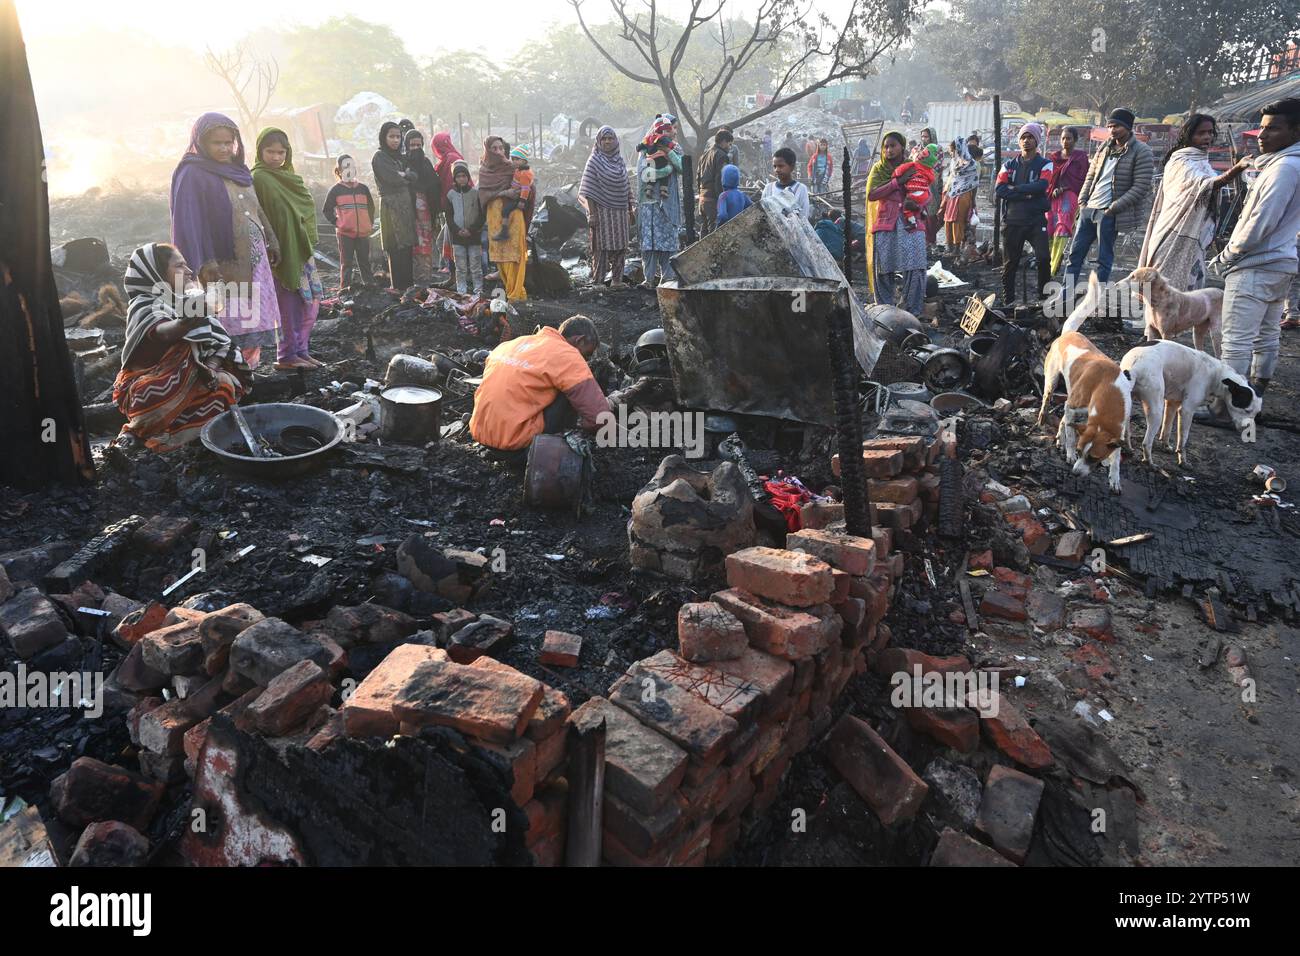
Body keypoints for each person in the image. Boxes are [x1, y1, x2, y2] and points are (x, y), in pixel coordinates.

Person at [113, 243, 250, 452]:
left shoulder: (187, 299)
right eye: (179, 266)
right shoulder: (144, 304)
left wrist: (211, 368)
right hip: (149, 387)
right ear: (157, 273)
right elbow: (164, 332)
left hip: (193, 383)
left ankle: (183, 434)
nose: (188, 272)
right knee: (159, 381)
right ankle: (137, 431)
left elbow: (221, 343)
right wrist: (188, 320)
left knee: (224, 385)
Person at [169, 112, 281, 368]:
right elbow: (188, 222)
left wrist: (271, 239)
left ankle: (248, 369)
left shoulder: (238, 170)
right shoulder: (192, 174)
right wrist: (205, 262)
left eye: (228, 142)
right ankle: (228, 371)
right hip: (222, 264)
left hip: (254, 259)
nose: (223, 148)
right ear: (201, 142)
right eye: (216, 143)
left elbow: (256, 208)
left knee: (256, 314)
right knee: (230, 317)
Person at [1207, 98, 1300, 393]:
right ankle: (1255, 394)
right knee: (1266, 335)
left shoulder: (1283, 169)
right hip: (1279, 264)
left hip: (1255, 266)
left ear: (1296, 132)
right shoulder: (1287, 164)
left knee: (1235, 340)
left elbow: (1260, 223)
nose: (1261, 136)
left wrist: (1228, 255)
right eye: (1261, 128)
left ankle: (1227, 407)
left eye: (1273, 129)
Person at [469, 315, 613, 460]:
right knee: (568, 391)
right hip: (520, 448)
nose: (586, 360)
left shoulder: (510, 345)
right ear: (580, 340)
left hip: (481, 436)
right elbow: (600, 419)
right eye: (587, 355)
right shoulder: (568, 355)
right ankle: (552, 449)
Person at [1138, 114, 1248, 291]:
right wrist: (1236, 169)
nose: (1207, 137)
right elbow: (1205, 184)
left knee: (1190, 287)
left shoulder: (1201, 159)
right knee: (1164, 286)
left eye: (1210, 133)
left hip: (1196, 233)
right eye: (1201, 133)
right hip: (1173, 230)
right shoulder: (1181, 160)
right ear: (1189, 135)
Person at [252, 128, 324, 369]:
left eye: (280, 152)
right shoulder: (259, 178)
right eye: (270, 151)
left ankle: (301, 350)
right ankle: (286, 355)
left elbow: (302, 208)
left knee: (307, 301)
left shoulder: (289, 177)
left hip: (299, 249)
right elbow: (259, 216)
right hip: (279, 253)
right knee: (287, 305)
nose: (275, 157)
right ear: (260, 151)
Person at [1067, 108, 1154, 284]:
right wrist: (1082, 201)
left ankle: (1096, 300)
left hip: (1108, 213)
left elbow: (1140, 187)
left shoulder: (1141, 151)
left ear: (1128, 127)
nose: (1113, 130)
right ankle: (1065, 296)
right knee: (1074, 256)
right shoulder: (1104, 147)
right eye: (1110, 126)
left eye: (1117, 126)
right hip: (1089, 209)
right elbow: (1091, 176)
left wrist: (1112, 209)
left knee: (1103, 260)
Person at [866, 131, 927, 314]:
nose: (889, 150)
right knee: (883, 268)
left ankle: (912, 310)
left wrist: (916, 202)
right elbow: (872, 194)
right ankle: (885, 310)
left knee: (915, 265)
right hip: (886, 222)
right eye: (885, 147)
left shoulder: (914, 167)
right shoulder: (878, 169)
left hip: (911, 221)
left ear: (902, 146)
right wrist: (896, 182)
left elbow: (926, 192)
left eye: (893, 145)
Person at [995, 123, 1053, 305]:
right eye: (1023, 137)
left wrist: (1016, 189)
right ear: (1019, 141)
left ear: (1037, 140)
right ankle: (1008, 300)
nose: (1026, 141)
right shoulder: (1008, 165)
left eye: (1030, 137)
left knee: (1044, 258)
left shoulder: (1046, 164)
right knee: (1010, 263)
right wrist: (1028, 193)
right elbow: (1000, 189)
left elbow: (1042, 185)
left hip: (1036, 220)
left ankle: (1043, 299)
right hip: (1013, 220)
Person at [578, 125, 634, 289]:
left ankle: (617, 280)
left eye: (610, 138)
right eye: (604, 139)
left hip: (620, 213)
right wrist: (592, 215)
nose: (608, 141)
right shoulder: (594, 161)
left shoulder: (620, 161)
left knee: (620, 247)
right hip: (602, 212)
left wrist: (631, 207)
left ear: (616, 141)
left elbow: (627, 186)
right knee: (601, 247)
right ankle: (598, 281)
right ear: (599, 141)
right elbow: (588, 190)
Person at [478, 136, 534, 301]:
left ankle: (517, 292)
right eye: (494, 149)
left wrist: (521, 196)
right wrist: (503, 193)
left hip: (513, 215)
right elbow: (483, 194)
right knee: (500, 256)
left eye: (501, 148)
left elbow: (528, 186)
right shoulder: (484, 170)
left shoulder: (513, 168)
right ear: (488, 150)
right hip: (494, 215)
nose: (498, 152)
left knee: (514, 254)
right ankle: (508, 288)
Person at [635, 116, 684, 288]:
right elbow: (644, 173)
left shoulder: (676, 148)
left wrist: (669, 153)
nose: (674, 132)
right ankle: (648, 279)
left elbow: (683, 168)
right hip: (649, 203)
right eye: (672, 128)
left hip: (668, 202)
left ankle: (668, 279)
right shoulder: (646, 147)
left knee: (668, 241)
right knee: (649, 242)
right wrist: (667, 169)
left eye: (675, 128)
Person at [371, 121, 418, 290]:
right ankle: (398, 287)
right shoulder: (380, 157)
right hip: (391, 206)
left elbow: (414, 176)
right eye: (391, 136)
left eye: (398, 136)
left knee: (407, 247)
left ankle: (409, 287)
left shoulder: (400, 156)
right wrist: (405, 176)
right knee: (395, 248)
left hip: (405, 206)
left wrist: (405, 175)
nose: (395, 140)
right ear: (384, 137)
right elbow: (392, 178)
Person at [323, 155, 376, 290]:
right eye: (345, 167)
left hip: (363, 233)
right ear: (339, 171)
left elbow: (371, 207)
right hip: (345, 233)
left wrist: (368, 223)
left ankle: (369, 286)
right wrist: (338, 223)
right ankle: (344, 288)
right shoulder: (336, 190)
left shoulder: (363, 188)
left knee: (364, 261)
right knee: (346, 262)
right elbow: (327, 210)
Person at [1045, 127, 1089, 276]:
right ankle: (1048, 261)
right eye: (1063, 138)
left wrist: (1064, 189)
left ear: (1075, 140)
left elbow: (1082, 180)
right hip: (1053, 198)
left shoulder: (1081, 158)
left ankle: (1054, 265)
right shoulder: (1054, 157)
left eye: (1069, 138)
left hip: (1070, 197)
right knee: (1049, 228)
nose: (1065, 141)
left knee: (1062, 229)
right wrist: (1054, 189)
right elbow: (1049, 179)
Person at [403, 128, 442, 280]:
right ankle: (411, 278)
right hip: (409, 209)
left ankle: (425, 277)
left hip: (426, 210)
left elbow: (434, 185)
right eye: (412, 145)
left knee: (425, 243)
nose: (415, 149)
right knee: (411, 243)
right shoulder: (402, 161)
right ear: (406, 145)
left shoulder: (426, 162)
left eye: (418, 145)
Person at [444, 160, 484, 296]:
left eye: (464, 176)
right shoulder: (450, 195)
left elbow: (481, 215)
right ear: (454, 178)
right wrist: (457, 230)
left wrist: (471, 230)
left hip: (474, 236)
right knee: (460, 267)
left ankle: (478, 291)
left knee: (475, 266)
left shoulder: (475, 193)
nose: (462, 178)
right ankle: (462, 292)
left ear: (468, 177)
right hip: (458, 237)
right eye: (459, 176)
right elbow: (448, 216)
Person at [432, 131, 469, 275]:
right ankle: (452, 267)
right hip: (452, 205)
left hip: (456, 205)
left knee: (447, 239)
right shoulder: (447, 159)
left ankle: (455, 269)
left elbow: (450, 183)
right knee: (446, 238)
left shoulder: (451, 159)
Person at [942, 138, 980, 253]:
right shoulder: (954, 162)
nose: (951, 153)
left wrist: (973, 201)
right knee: (948, 220)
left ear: (959, 149)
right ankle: (949, 246)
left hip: (963, 196)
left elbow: (974, 183)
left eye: (953, 151)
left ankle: (957, 247)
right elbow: (951, 179)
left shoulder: (971, 164)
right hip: (952, 195)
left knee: (958, 221)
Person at [892, 144, 941, 231]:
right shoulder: (929, 170)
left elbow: (899, 171)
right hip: (925, 194)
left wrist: (894, 175)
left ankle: (912, 222)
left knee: (906, 206)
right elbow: (931, 179)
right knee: (917, 203)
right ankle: (922, 211)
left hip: (914, 193)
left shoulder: (912, 165)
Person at [492, 146, 534, 241]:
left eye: (517, 159)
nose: (514, 161)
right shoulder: (519, 170)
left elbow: (525, 189)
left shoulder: (524, 173)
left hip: (520, 198)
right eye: (513, 159)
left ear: (524, 160)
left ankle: (504, 232)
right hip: (516, 195)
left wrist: (522, 201)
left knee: (505, 211)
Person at [697, 128, 734, 235]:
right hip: (713, 199)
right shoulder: (722, 156)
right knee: (713, 234)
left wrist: (700, 194)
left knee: (703, 231)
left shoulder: (704, 155)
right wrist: (722, 200)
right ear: (723, 142)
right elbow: (720, 180)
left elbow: (698, 177)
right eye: (729, 144)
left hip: (703, 199)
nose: (730, 147)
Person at [762, 148, 811, 219]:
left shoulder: (800, 189)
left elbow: (804, 217)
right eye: (775, 166)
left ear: (792, 166)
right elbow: (763, 214)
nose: (777, 170)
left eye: (781, 166)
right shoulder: (768, 188)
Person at [919, 128, 944, 246]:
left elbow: (937, 167)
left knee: (931, 214)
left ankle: (930, 241)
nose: (924, 139)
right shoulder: (918, 149)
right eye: (922, 136)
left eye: (926, 137)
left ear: (932, 137)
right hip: (917, 185)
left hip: (933, 186)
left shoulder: (937, 150)